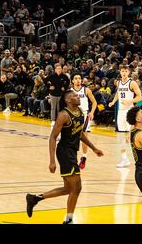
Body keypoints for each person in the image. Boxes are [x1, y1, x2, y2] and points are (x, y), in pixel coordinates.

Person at [26, 90, 104, 224]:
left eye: (77, 95)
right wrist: (52, 161)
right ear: (68, 100)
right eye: (74, 95)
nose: (77, 96)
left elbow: (79, 133)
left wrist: (93, 148)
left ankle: (35, 199)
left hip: (72, 152)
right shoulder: (63, 115)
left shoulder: (80, 111)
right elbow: (52, 137)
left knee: (68, 189)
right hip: (64, 153)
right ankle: (68, 220)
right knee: (77, 187)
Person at [109, 65, 142, 168]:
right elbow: (118, 93)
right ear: (120, 72)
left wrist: (130, 101)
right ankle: (124, 159)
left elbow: (140, 96)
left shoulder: (132, 83)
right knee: (121, 137)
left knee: (131, 136)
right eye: (122, 71)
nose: (124, 73)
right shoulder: (119, 82)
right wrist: (113, 102)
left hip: (129, 111)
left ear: (129, 72)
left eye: (125, 71)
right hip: (121, 111)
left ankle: (140, 159)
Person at [70, 74, 98, 170]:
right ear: (72, 81)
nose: (78, 80)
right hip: (73, 115)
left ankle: (84, 157)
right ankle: (72, 158)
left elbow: (94, 102)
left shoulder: (86, 90)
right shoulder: (69, 91)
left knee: (84, 136)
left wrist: (92, 112)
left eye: (79, 78)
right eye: (76, 78)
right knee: (72, 137)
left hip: (84, 115)